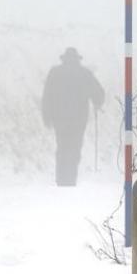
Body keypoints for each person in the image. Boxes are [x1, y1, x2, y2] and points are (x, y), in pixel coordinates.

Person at [41, 47, 104, 186]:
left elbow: (47, 95)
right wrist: (97, 102)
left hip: (60, 119)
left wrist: (47, 116)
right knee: (75, 148)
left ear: (63, 59)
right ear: (77, 59)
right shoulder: (84, 73)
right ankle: (71, 179)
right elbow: (98, 93)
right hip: (78, 120)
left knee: (62, 147)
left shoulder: (55, 73)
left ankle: (61, 179)